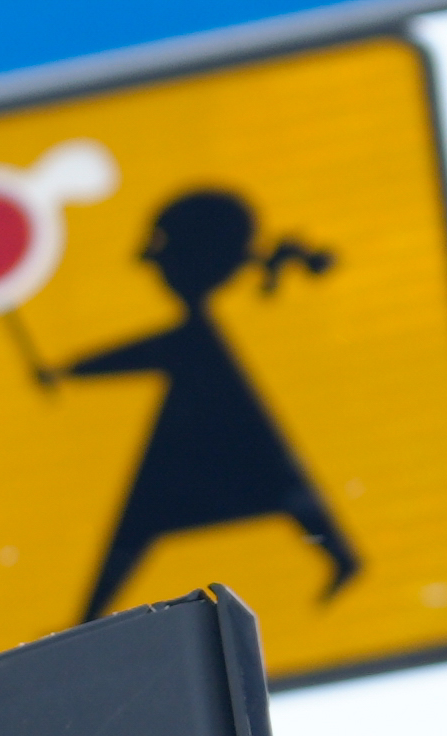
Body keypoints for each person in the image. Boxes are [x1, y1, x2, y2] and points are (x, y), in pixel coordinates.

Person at [44, 185, 353, 615]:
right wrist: (71, 370)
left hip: (206, 432)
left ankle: (87, 620)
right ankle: (342, 558)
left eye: (163, 249)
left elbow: (157, 351)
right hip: (213, 429)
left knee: (146, 516)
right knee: (278, 489)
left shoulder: (201, 335)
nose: (150, 263)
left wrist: (71, 370)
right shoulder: (206, 330)